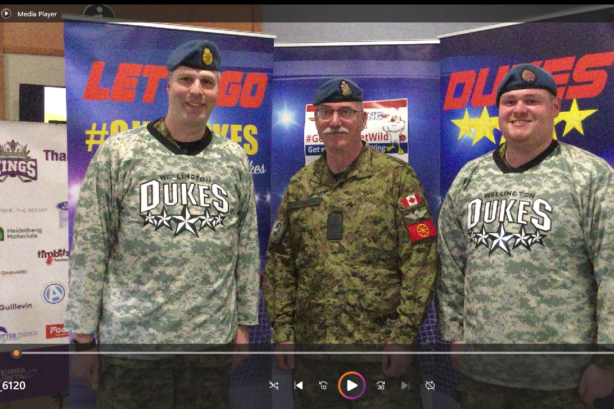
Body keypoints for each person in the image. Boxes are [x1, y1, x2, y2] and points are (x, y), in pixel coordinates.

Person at [437, 64, 614, 408]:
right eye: (509, 102)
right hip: (482, 374)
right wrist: (455, 336)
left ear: (555, 107)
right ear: (499, 111)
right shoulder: (470, 177)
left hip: (563, 380)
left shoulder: (590, 176)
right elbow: (450, 262)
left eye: (532, 100)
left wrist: (608, 360)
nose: (519, 109)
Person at [66, 39, 260, 408]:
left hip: (209, 344)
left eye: (207, 81)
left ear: (218, 90)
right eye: (186, 79)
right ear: (167, 85)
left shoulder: (233, 158)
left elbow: (247, 247)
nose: (196, 91)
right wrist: (83, 339)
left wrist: (244, 324)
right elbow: (91, 248)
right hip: (133, 346)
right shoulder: (121, 152)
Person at [262, 78, 437, 407]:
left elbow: (421, 259)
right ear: (315, 121)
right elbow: (280, 261)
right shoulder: (301, 185)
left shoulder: (397, 178)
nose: (335, 121)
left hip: (379, 356)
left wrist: (403, 336)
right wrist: (282, 329)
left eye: (345, 112)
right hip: (314, 356)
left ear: (363, 119)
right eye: (325, 113)